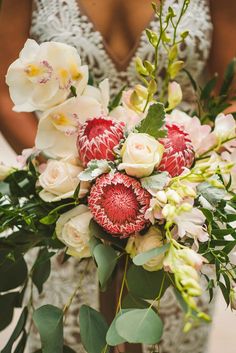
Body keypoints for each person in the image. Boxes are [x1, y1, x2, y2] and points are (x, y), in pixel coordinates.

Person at [0, 1, 236, 352]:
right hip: (68, 221)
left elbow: (228, 95)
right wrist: (68, 179)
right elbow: (4, 88)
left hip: (174, 220)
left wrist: (182, 176)